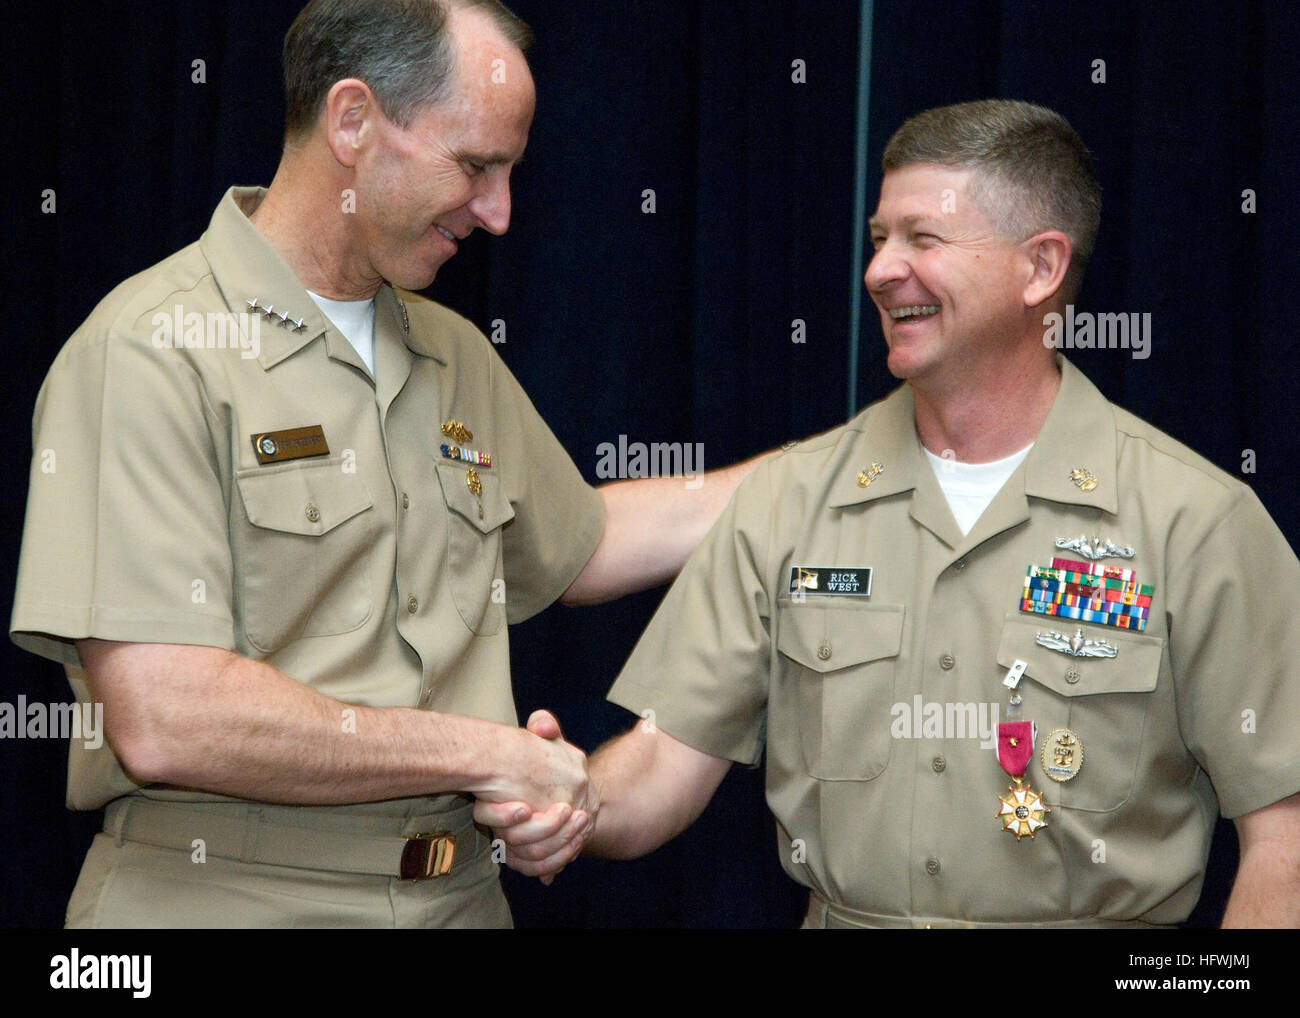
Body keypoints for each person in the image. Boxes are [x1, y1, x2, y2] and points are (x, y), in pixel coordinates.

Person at [9, 0, 761, 928]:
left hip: (460, 900)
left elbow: (586, 543)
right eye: (477, 166)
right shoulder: (153, 349)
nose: (500, 214)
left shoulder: (451, 352)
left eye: (511, 173)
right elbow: (168, 716)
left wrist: (842, 467)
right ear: (353, 120)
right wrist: (488, 755)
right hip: (226, 898)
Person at [482, 99, 1300, 928]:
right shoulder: (790, 500)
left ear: (1040, 268)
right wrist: (570, 798)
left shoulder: (1195, 521)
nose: (879, 271)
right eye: (878, 239)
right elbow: (661, 771)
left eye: (923, 238)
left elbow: (1286, 841)